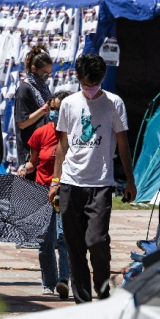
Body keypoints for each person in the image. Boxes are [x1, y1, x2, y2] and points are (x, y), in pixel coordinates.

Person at [48, 54, 137, 304]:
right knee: (74, 246)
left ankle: (102, 286)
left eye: (93, 84)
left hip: (100, 184)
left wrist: (130, 180)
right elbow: (62, 143)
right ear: (77, 78)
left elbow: (122, 143)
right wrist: (56, 180)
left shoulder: (113, 103)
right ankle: (82, 302)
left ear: (102, 78)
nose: (89, 89)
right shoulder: (69, 104)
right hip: (70, 183)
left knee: (97, 240)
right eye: (85, 84)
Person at [17, 91, 72, 299]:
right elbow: (34, 162)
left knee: (63, 238)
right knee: (45, 241)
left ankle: (64, 280)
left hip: (67, 191)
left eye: (59, 109)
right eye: (52, 109)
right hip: (42, 193)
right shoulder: (40, 134)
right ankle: (49, 282)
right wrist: (24, 168)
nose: (55, 113)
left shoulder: (76, 134)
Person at [14, 45, 53, 175]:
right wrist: (45, 109)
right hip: (29, 152)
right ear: (33, 69)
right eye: (44, 73)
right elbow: (22, 123)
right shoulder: (24, 89)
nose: (46, 77)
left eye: (49, 74)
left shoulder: (43, 88)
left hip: (44, 147)